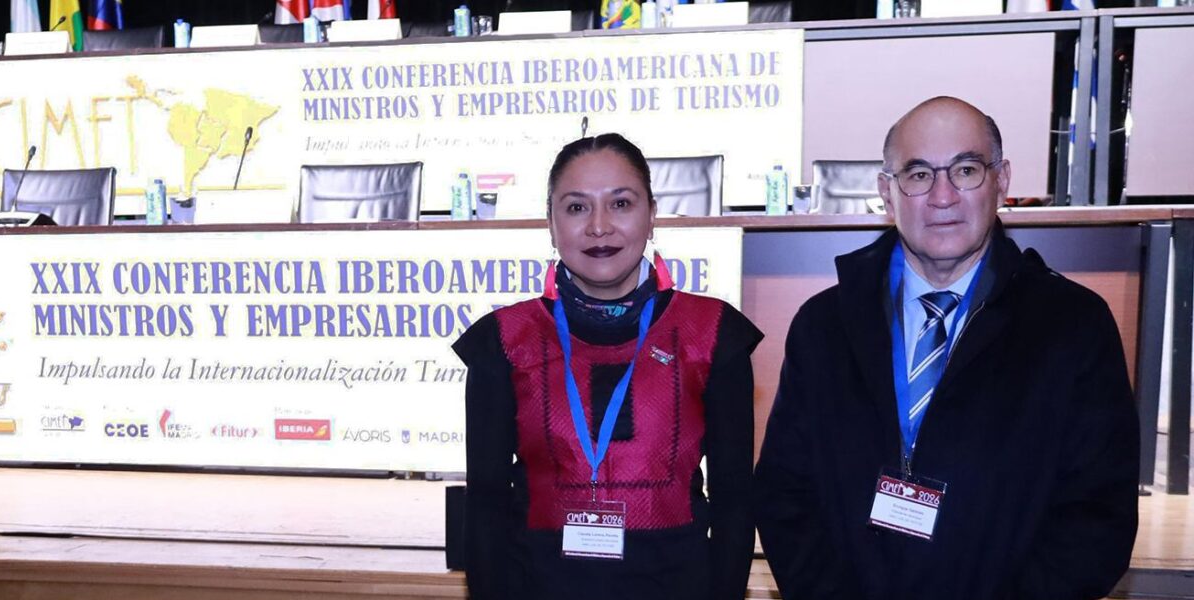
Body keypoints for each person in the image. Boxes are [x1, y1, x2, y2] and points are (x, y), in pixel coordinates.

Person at [754, 96, 1139, 600]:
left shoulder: (1074, 327)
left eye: (965, 170)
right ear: (887, 193)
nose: (942, 196)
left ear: (1001, 180)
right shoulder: (823, 327)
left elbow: (1098, 515)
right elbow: (785, 493)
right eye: (918, 175)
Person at [453, 133, 761, 600]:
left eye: (621, 203)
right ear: (551, 223)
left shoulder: (713, 334)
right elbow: (486, 503)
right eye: (577, 207)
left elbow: (735, 502)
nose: (599, 227)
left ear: (652, 215)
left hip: (677, 584)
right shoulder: (504, 341)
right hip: (537, 584)